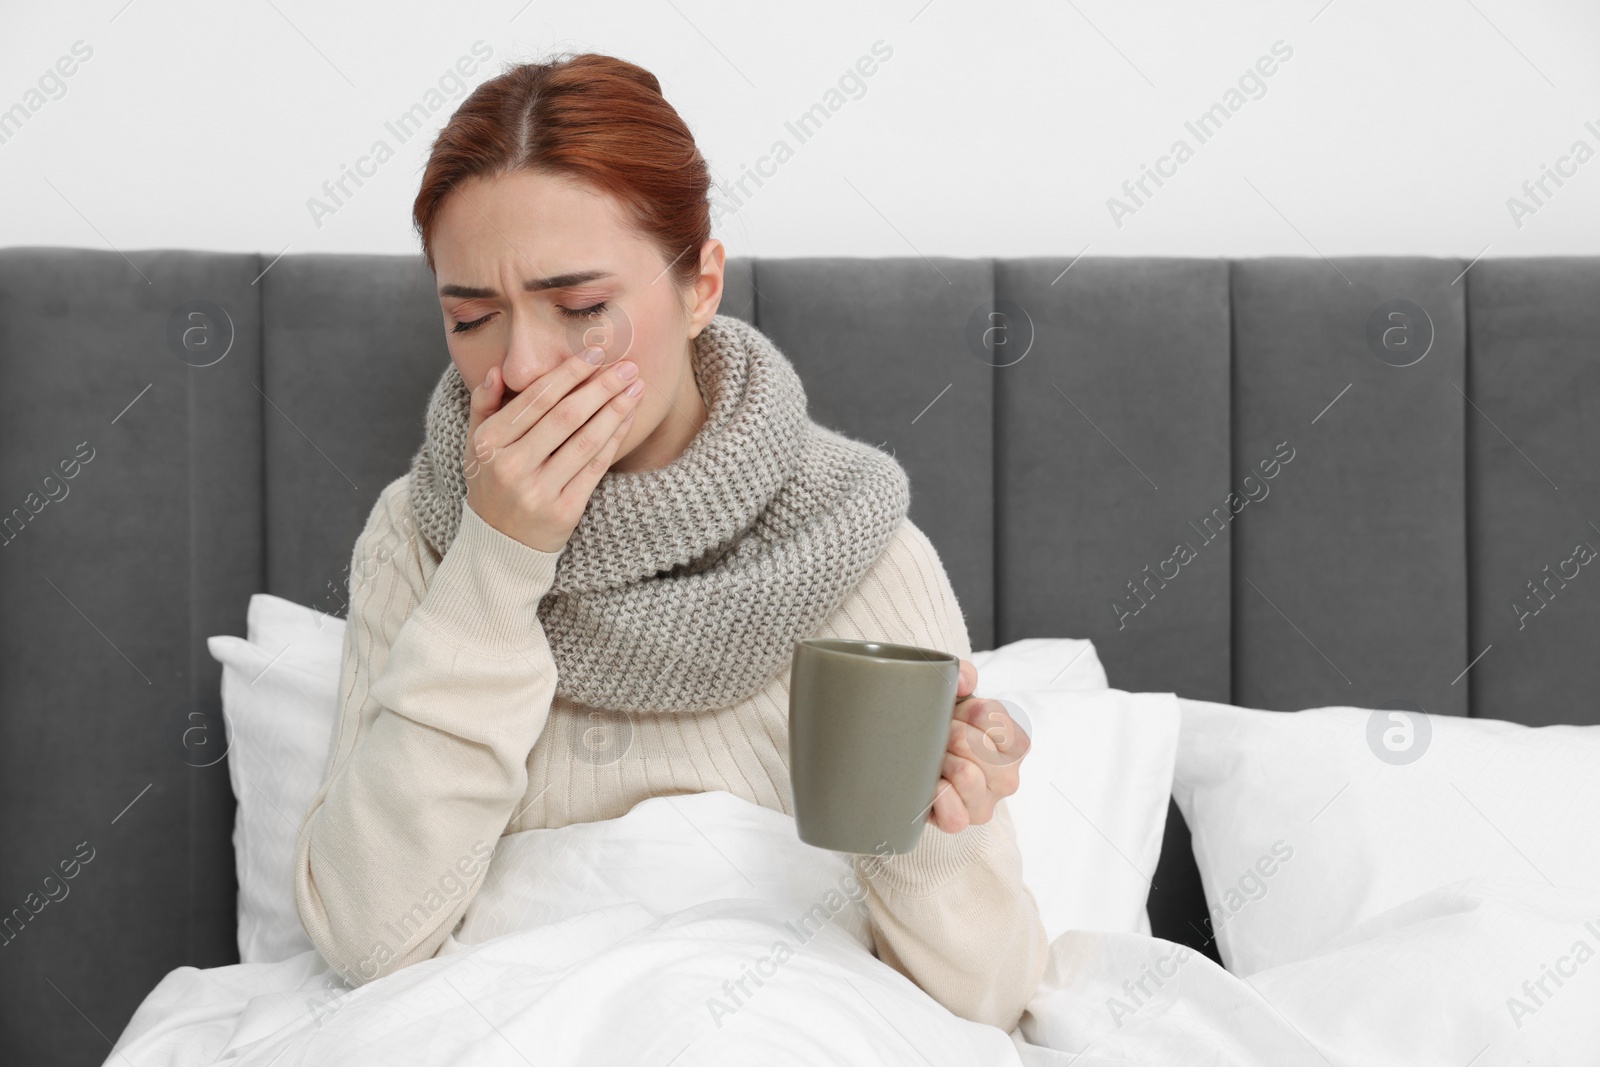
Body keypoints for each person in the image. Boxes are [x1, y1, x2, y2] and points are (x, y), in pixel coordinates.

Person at [291, 50, 1048, 1034]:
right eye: (471, 317)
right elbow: (365, 939)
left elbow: (987, 996)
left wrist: (940, 826)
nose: (519, 367)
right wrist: (495, 561)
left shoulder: (849, 540)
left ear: (699, 286)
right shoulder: (420, 535)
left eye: (581, 308)